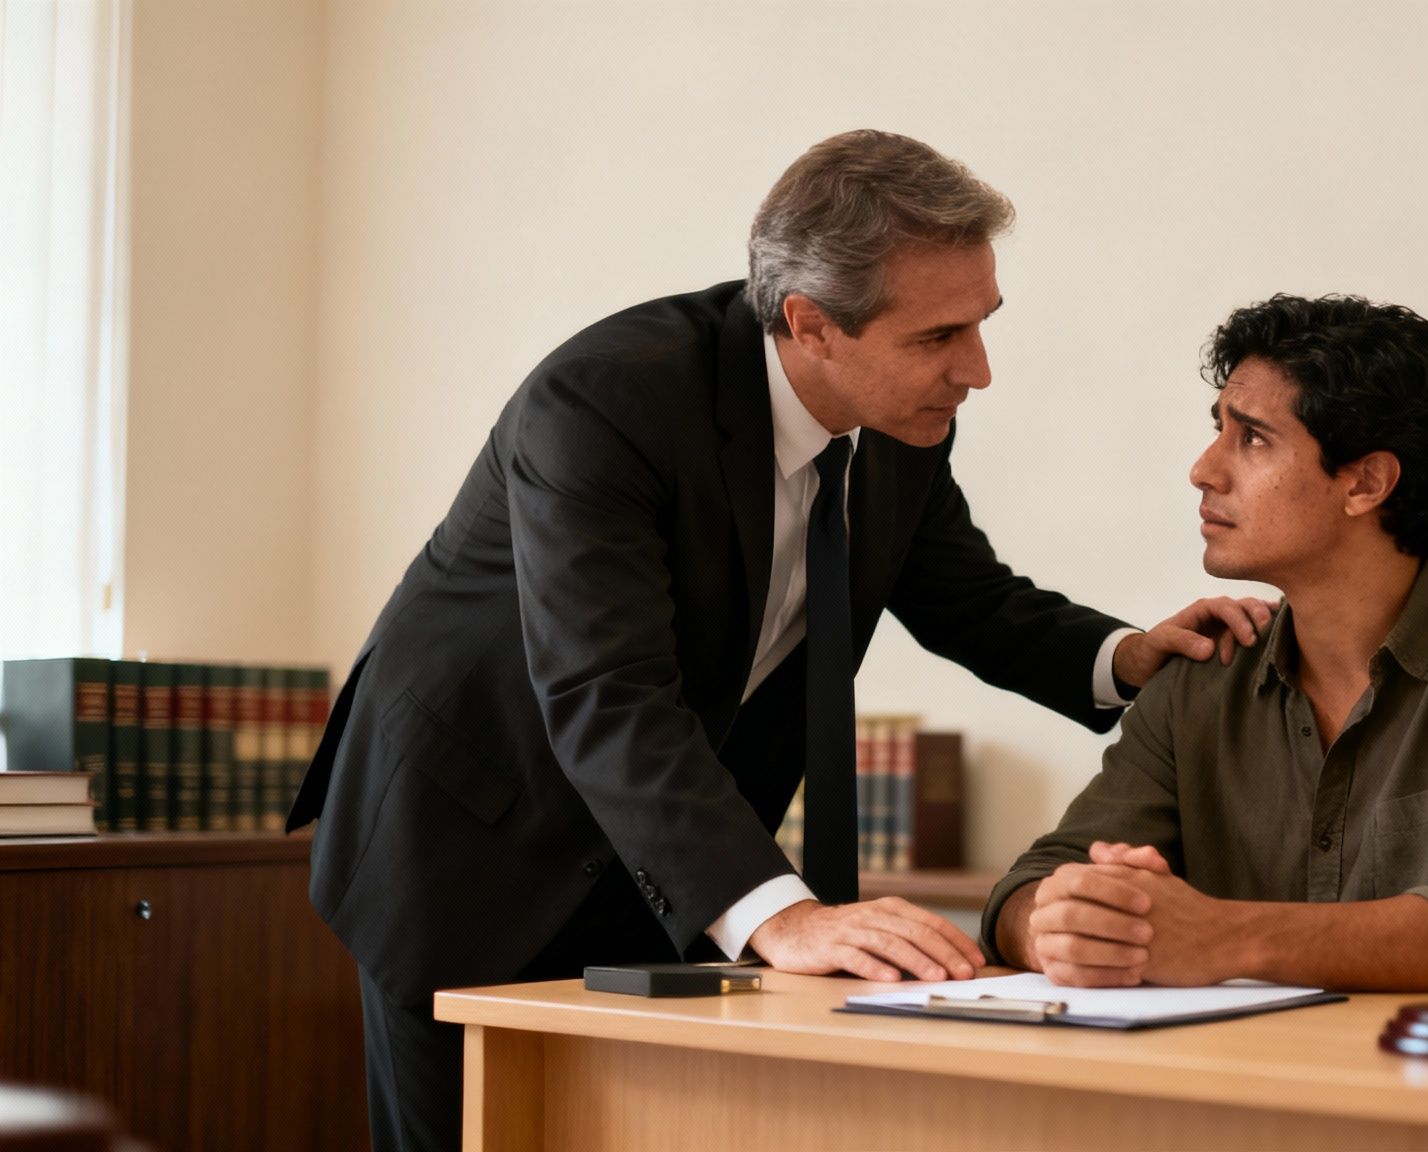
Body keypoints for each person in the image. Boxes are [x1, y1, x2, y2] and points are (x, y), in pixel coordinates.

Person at [286, 129, 1269, 1151]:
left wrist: (1123, 657)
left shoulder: (898, 420)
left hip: (670, 866)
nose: (975, 370)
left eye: (981, 324)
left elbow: (967, 597)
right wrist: (782, 917)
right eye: (937, 337)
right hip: (472, 848)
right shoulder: (604, 400)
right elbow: (606, 690)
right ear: (810, 324)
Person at [984, 293, 1428, 991]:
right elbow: (1031, 885)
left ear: (1365, 482)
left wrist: (1225, 938)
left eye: (1253, 438)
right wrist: (1065, 926)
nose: (1204, 470)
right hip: (1257, 1086)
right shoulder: (1201, 673)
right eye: (1218, 430)